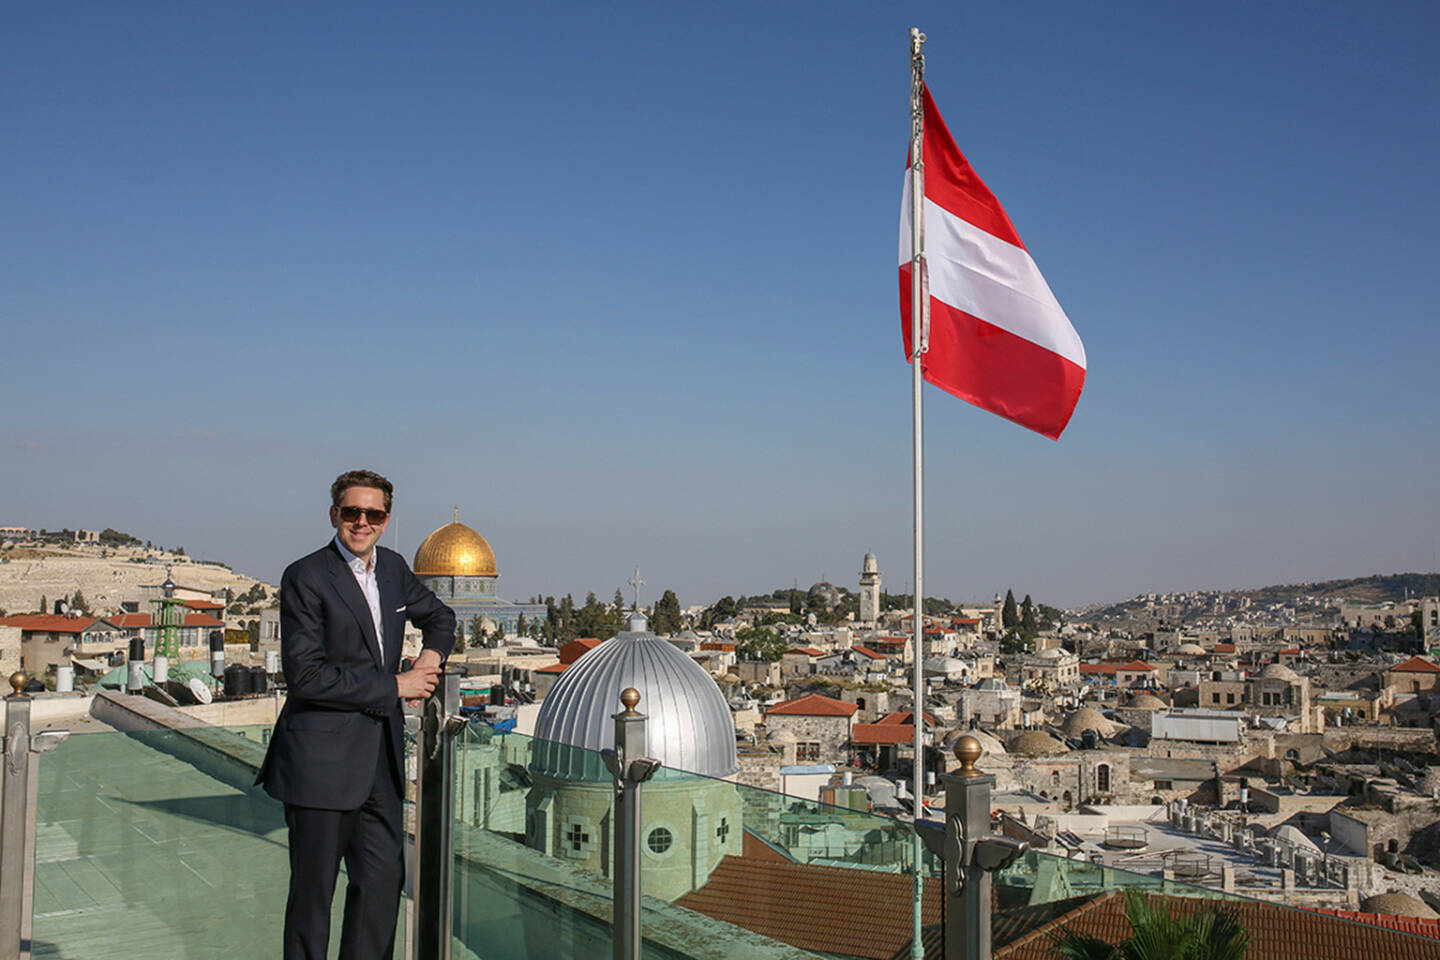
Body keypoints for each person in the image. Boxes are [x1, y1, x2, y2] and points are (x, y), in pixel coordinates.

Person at [257, 469, 455, 960]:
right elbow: (306, 676)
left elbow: (441, 617)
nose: (362, 522)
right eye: (352, 512)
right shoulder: (305, 576)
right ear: (334, 516)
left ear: (387, 520)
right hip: (321, 763)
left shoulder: (390, 568)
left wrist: (429, 661)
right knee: (313, 897)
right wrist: (397, 685)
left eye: (374, 514)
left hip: (379, 765)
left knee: (382, 887)